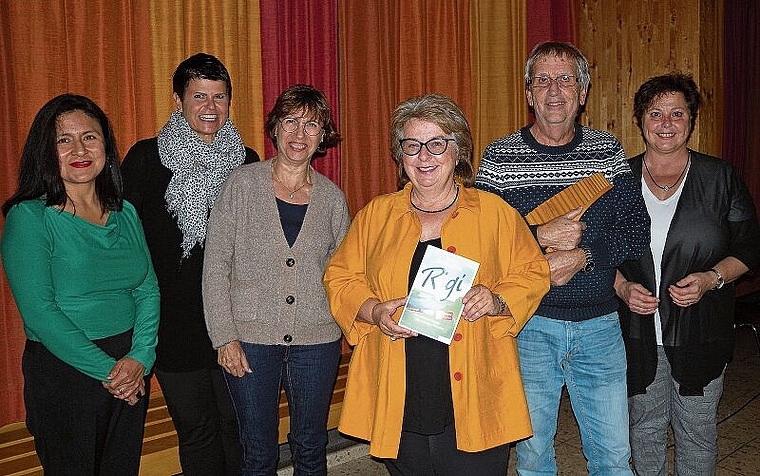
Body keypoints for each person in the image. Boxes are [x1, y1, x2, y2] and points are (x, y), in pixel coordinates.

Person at [324, 93, 550, 476]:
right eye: (411, 145)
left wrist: (497, 300)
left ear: (457, 150)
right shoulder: (377, 214)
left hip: (475, 392)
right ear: (400, 155)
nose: (423, 156)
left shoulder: (494, 212)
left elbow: (533, 271)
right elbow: (340, 277)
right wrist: (374, 311)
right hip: (400, 388)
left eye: (436, 143)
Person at [476, 41, 650, 475]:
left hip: (600, 327)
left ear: (583, 92)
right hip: (529, 326)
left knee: (614, 456)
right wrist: (536, 237)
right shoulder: (499, 158)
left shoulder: (607, 153)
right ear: (529, 94)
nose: (555, 90)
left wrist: (585, 255)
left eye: (566, 79)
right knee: (534, 458)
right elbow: (478, 242)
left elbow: (635, 230)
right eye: (543, 81)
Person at [0, 94, 159, 475]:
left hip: (130, 364)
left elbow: (147, 288)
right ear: (45, 151)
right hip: (66, 372)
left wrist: (141, 357)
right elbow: (40, 314)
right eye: (63, 140)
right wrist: (110, 371)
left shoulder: (125, 211)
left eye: (89, 137)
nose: (79, 149)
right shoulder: (30, 217)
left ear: (105, 145)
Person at [614, 73, 760, 475]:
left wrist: (711, 278)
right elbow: (597, 253)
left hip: (702, 331)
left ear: (691, 121)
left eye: (677, 113)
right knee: (642, 431)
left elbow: (750, 248)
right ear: (641, 120)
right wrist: (623, 287)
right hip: (636, 334)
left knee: (696, 433)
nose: (666, 123)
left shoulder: (720, 177)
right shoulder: (618, 180)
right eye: (656, 113)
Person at [121, 52, 258, 476]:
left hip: (235, 322)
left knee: (238, 426)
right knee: (196, 430)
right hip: (172, 325)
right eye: (200, 96)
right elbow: (125, 243)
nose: (211, 107)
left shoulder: (248, 163)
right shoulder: (146, 159)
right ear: (178, 99)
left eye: (220, 97)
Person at [203, 84, 349, 476]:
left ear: (323, 136)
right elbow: (216, 265)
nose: (299, 134)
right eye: (291, 122)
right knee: (258, 449)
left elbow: (344, 274)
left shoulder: (333, 200)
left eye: (312, 125)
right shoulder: (241, 185)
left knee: (311, 445)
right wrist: (223, 337)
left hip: (317, 342)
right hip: (250, 340)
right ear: (275, 127)